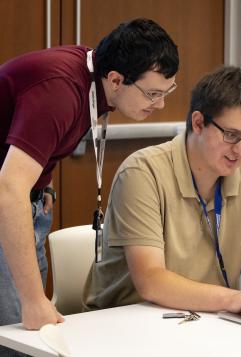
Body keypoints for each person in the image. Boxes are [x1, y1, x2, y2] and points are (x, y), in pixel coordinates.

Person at [0, 17, 179, 336]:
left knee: (29, 333)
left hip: (25, 203)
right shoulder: (60, 89)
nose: (160, 104)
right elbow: (9, 187)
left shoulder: (92, 75)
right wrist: (32, 299)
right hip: (8, 204)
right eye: (152, 94)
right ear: (115, 79)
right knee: (18, 334)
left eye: (167, 91)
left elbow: (32, 139)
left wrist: (44, 190)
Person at [82, 66, 241, 313]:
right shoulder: (142, 172)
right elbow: (151, 280)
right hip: (129, 320)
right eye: (231, 135)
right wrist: (231, 299)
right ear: (199, 123)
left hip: (205, 319)